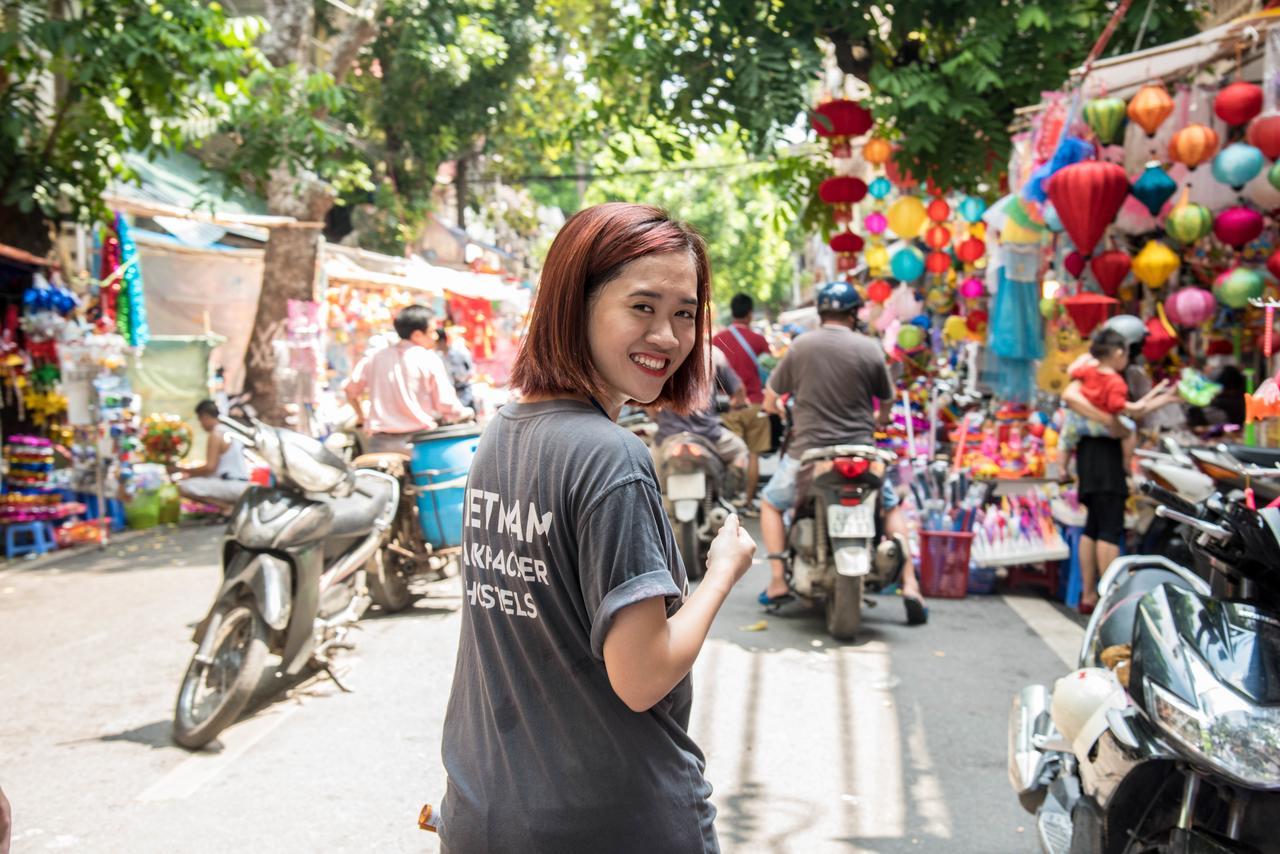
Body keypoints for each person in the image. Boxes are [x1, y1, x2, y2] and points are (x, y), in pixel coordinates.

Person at [437, 203, 756, 853]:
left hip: (485, 810)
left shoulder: (502, 430)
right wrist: (720, 575)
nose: (667, 336)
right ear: (573, 305)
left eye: (685, 313)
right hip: (611, 820)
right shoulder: (610, 457)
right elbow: (641, 677)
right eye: (642, 307)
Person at [757, 281, 928, 625]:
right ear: (854, 314)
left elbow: (770, 396)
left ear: (821, 312)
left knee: (771, 503)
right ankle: (910, 584)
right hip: (863, 452)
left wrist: (777, 410)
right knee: (891, 506)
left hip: (808, 453)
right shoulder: (870, 348)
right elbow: (888, 401)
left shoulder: (801, 346)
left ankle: (777, 580)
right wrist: (878, 419)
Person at [1063, 330, 1180, 615]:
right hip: (1106, 456)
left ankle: (1089, 594)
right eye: (1126, 353)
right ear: (1117, 353)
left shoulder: (1085, 372)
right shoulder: (1113, 380)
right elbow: (1124, 410)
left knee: (1092, 524)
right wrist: (1157, 402)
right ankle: (1107, 599)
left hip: (1087, 455)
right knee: (1110, 526)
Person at [343, 304, 473, 455]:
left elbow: (350, 390)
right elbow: (446, 404)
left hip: (379, 444)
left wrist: (361, 417)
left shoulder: (375, 357)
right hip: (419, 444)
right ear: (417, 335)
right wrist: (465, 413)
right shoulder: (428, 358)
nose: (436, 336)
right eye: (432, 331)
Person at [648, 344, 749, 480]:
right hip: (708, 434)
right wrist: (737, 406)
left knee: (651, 472)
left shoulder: (660, 352)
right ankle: (732, 494)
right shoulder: (713, 353)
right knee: (740, 451)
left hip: (668, 435)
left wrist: (656, 418)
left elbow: (650, 402)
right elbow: (738, 390)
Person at [713, 294, 773, 512]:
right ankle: (748, 501)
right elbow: (770, 371)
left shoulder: (717, 340)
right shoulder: (759, 341)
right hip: (756, 404)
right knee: (753, 454)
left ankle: (730, 501)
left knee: (730, 456)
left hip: (727, 407)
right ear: (749, 314)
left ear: (732, 311)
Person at [170, 399, 251, 512]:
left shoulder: (216, 434)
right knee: (191, 480)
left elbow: (210, 468)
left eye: (200, 420)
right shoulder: (230, 430)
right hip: (243, 484)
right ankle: (230, 508)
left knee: (183, 486)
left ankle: (228, 509)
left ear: (205, 416)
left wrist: (180, 469)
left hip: (233, 486)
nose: (201, 424)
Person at [435, 325, 477, 411]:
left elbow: (469, 372)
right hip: (451, 394)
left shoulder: (460, 353)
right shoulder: (439, 357)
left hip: (465, 391)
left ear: (442, 341)